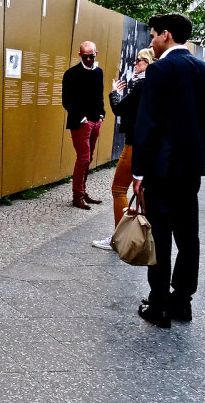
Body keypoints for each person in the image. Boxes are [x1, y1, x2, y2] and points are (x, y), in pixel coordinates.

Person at [132, 13, 205, 328]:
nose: (151, 42)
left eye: (153, 35)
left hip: (161, 170)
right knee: (189, 235)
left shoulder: (160, 70)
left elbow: (149, 124)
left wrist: (139, 172)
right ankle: (182, 301)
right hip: (191, 170)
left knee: (160, 235)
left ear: (166, 35)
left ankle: (158, 304)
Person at [92, 47, 155, 250]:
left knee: (119, 189)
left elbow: (119, 109)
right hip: (147, 143)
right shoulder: (154, 84)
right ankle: (140, 235)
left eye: (139, 60)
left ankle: (118, 239)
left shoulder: (142, 84)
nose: (135, 63)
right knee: (142, 191)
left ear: (147, 63)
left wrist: (114, 93)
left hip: (134, 143)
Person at [62, 41, 106, 209]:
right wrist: (82, 119)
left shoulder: (99, 72)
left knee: (88, 159)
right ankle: (77, 195)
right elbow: (66, 101)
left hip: (96, 121)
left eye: (92, 56)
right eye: (85, 56)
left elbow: (99, 96)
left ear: (96, 54)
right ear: (80, 55)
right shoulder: (71, 74)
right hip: (81, 123)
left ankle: (83, 191)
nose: (89, 59)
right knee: (83, 158)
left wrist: (102, 115)